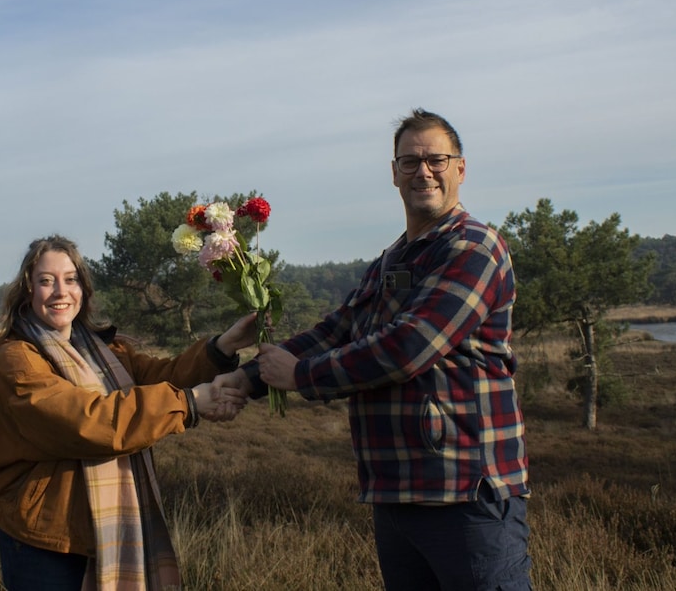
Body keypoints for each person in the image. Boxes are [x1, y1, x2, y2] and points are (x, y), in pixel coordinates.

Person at [222, 108, 532, 590]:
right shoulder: (390, 260)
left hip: (465, 494)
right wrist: (248, 376)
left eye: (436, 159)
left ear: (461, 169)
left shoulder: (473, 247)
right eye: (409, 162)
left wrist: (302, 377)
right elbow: (339, 329)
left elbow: (409, 346)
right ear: (394, 173)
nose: (422, 171)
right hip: (396, 494)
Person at [0, 235, 255, 591]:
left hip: (105, 525)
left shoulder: (106, 350)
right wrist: (188, 402)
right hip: (46, 536)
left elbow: (161, 377)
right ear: (28, 290)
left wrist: (223, 346)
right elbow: (86, 421)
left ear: (84, 288)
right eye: (46, 281)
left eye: (71, 279)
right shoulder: (16, 359)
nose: (60, 291)